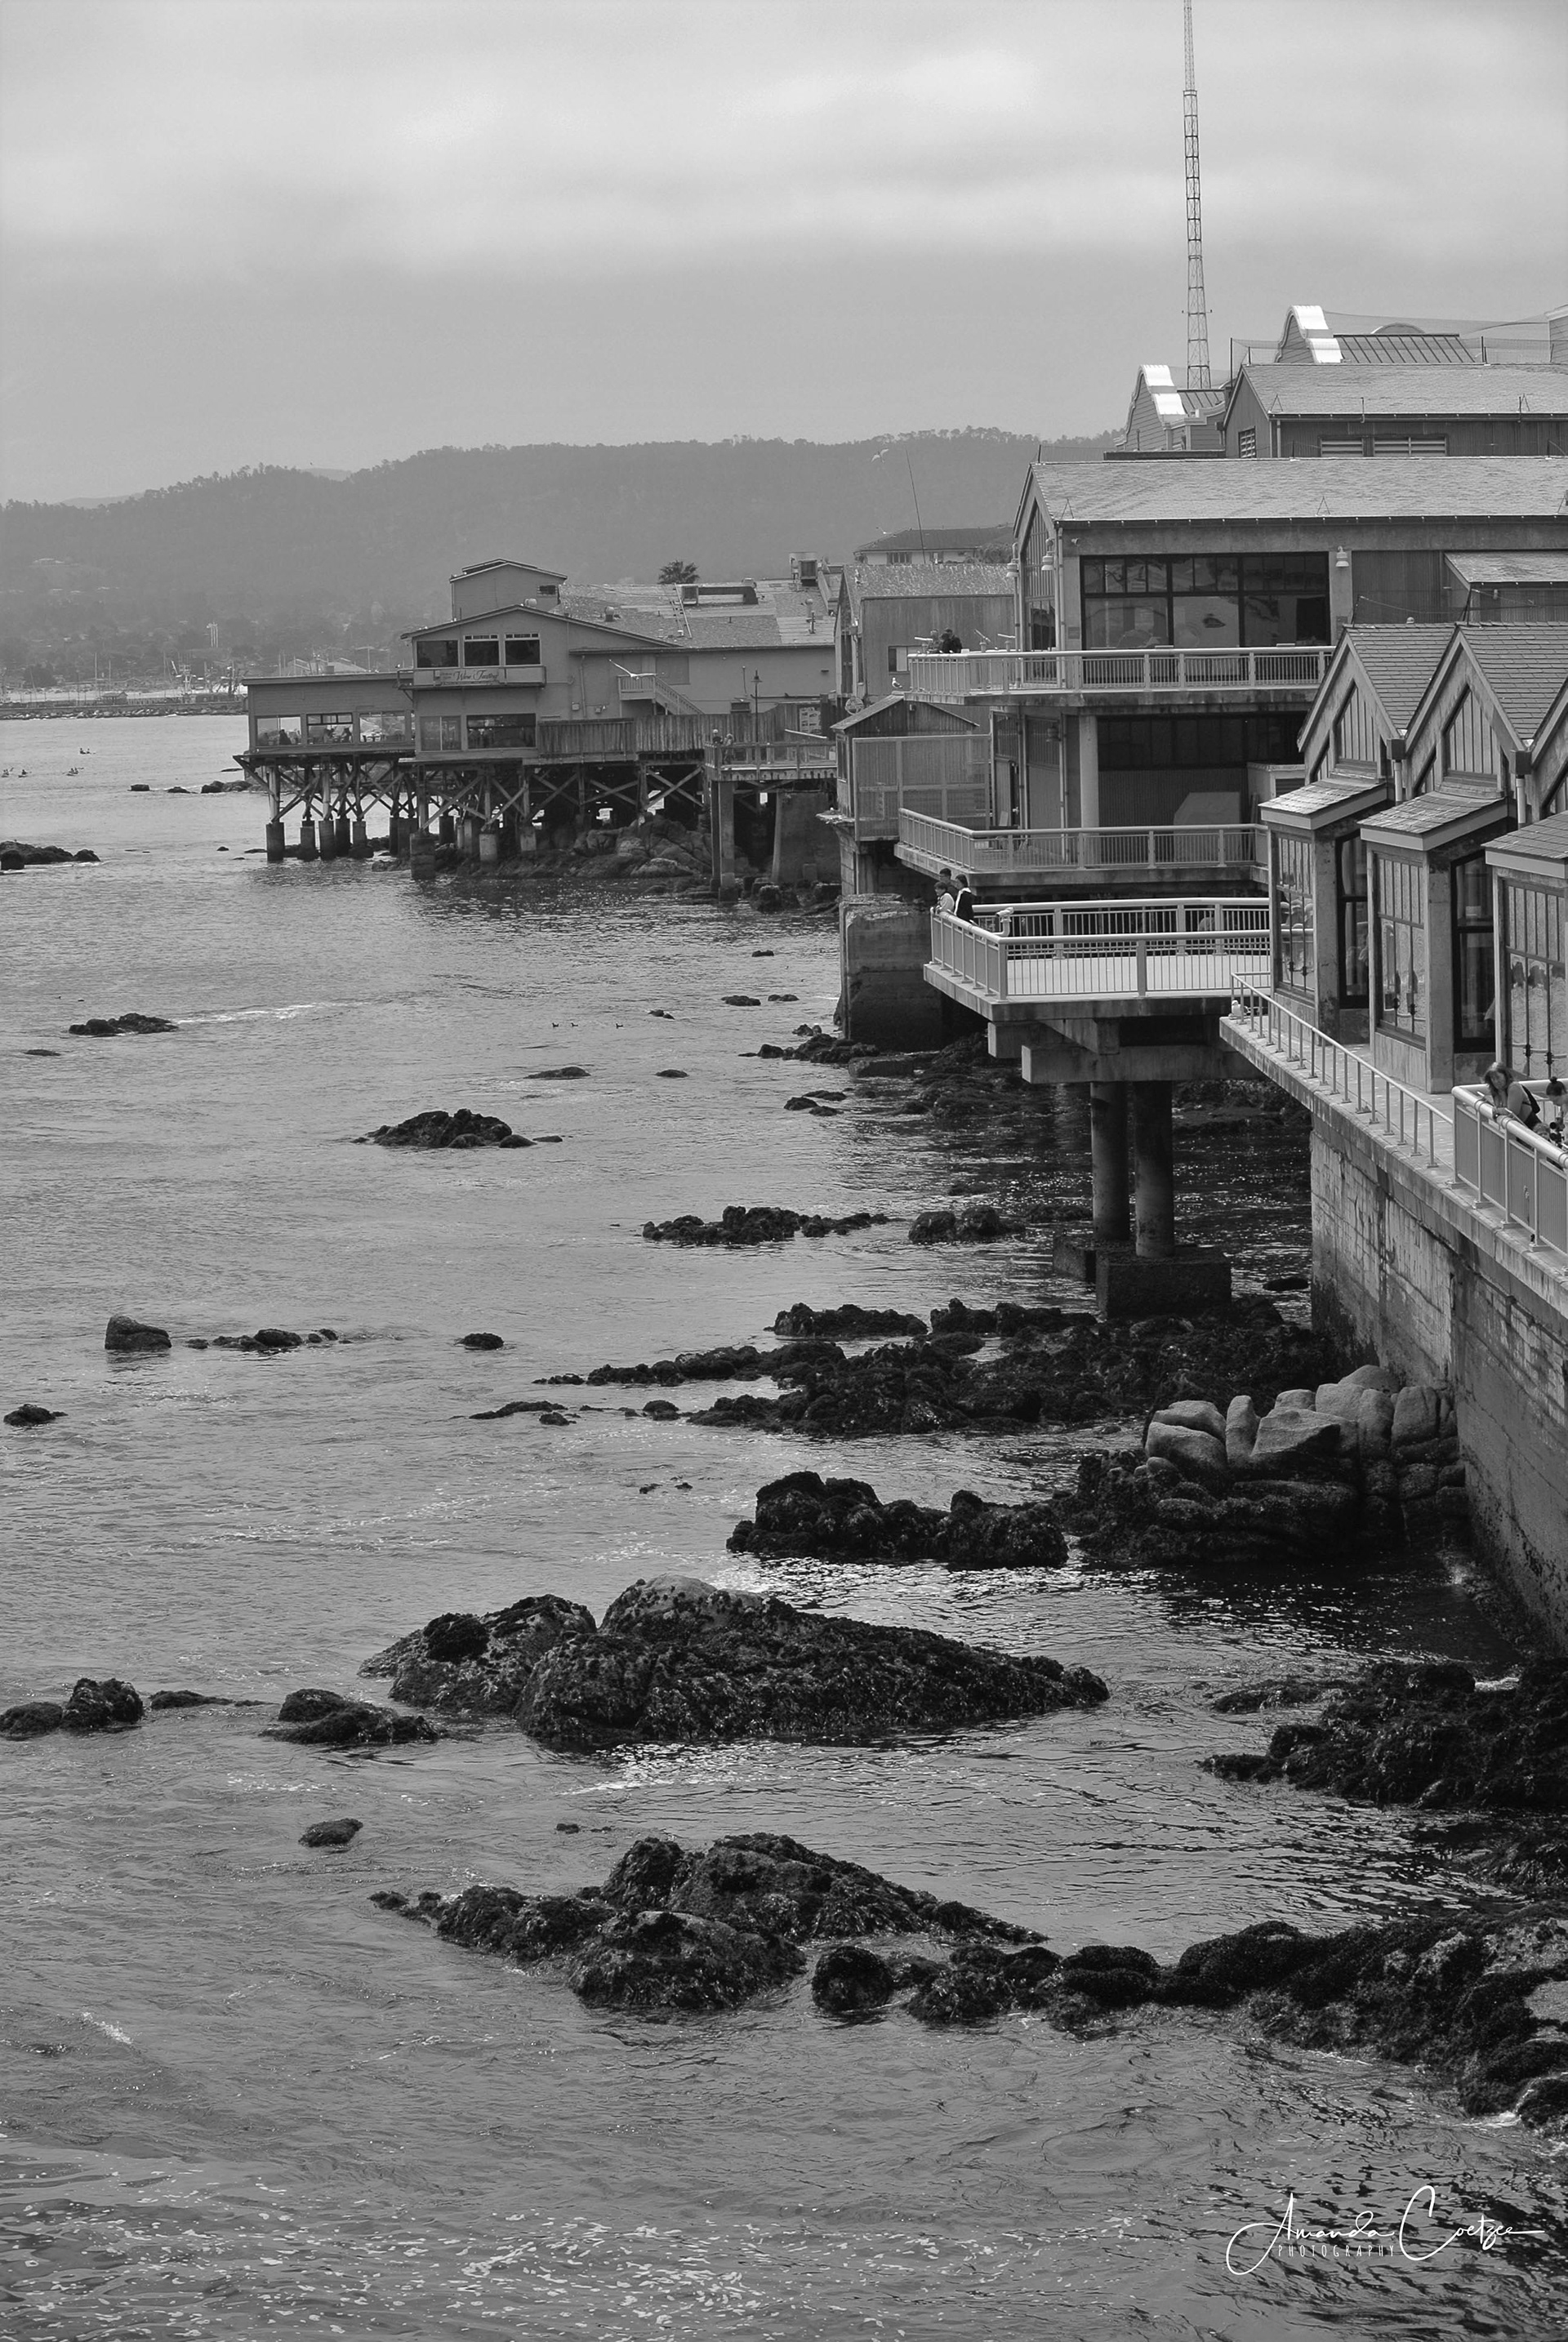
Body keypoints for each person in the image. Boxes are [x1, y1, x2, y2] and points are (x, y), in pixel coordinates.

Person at [1507, 1069, 1543, 1133]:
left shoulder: (1515, 1087)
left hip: (1529, 1123)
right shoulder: (1515, 1087)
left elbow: (1512, 1112)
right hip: (1528, 1123)